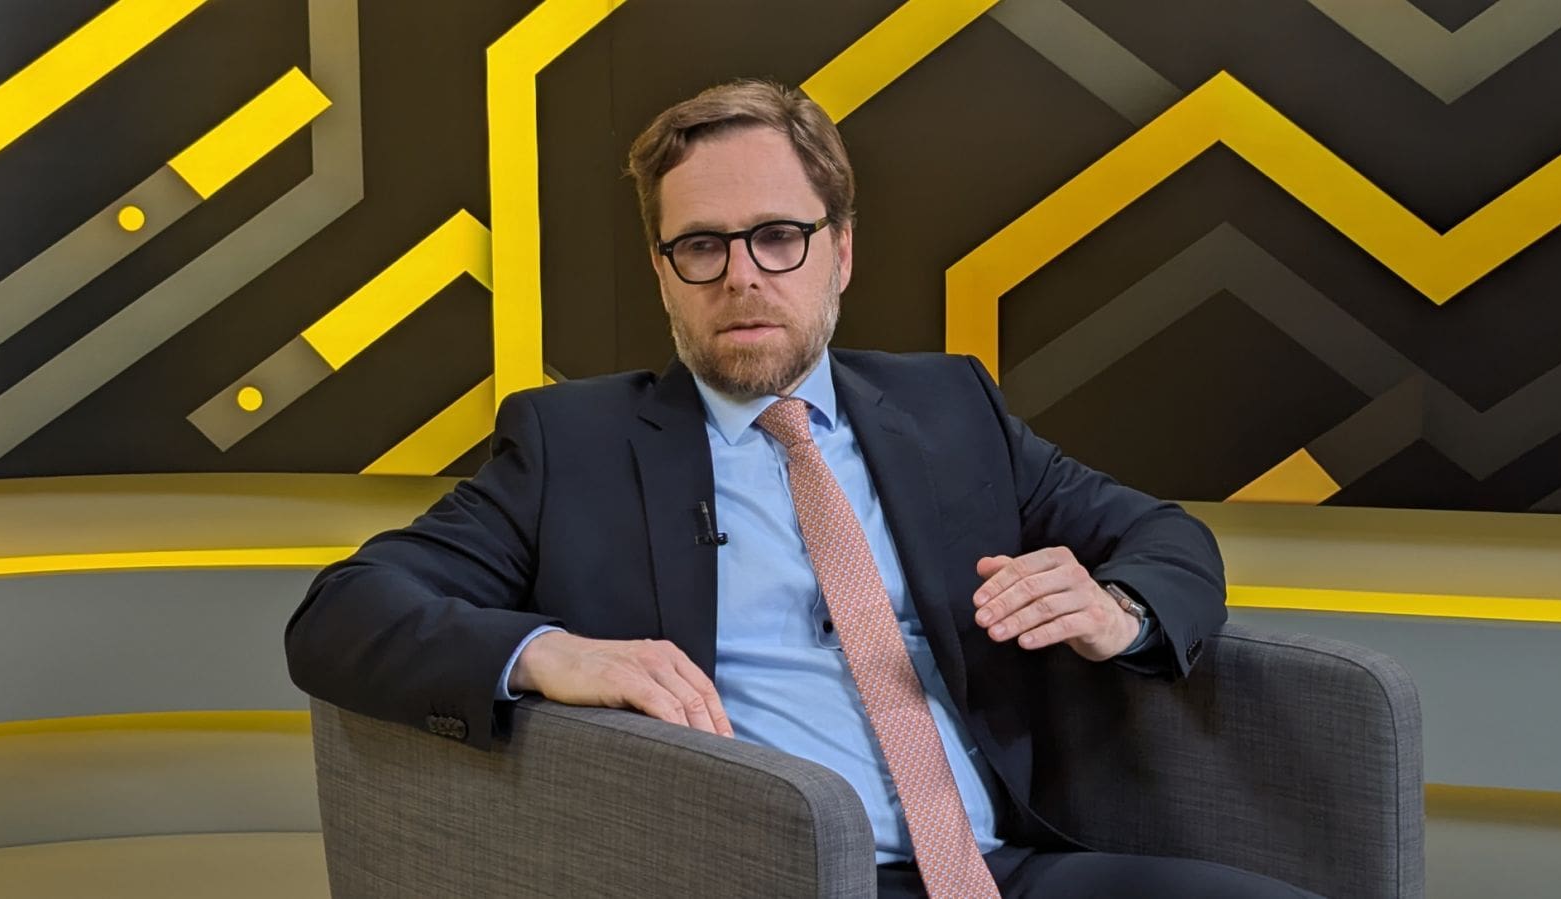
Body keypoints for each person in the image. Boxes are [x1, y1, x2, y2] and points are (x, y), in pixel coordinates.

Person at [286, 79, 1318, 898]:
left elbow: (1166, 537)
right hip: (769, 873)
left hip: (1003, 866)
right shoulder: (573, 447)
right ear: (662, 272)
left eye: (779, 236)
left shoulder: (949, 408)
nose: (742, 275)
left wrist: (1117, 610)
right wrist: (553, 653)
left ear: (841, 251)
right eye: (701, 245)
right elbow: (342, 612)